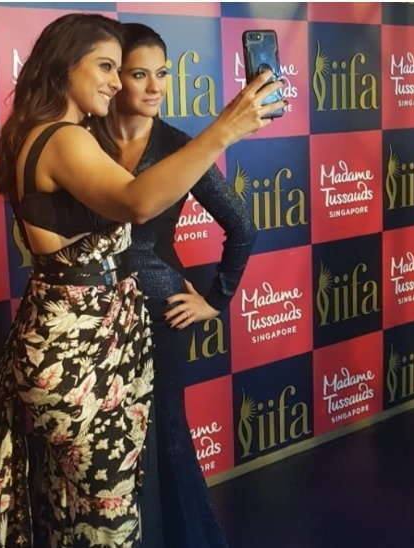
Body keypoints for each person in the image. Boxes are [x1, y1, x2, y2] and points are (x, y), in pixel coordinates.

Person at [0, 13, 285, 548]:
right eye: (106, 67)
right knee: (106, 518)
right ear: (64, 66)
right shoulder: (65, 140)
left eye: (125, 70)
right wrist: (225, 129)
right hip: (78, 358)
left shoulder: (46, 134)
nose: (117, 83)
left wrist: (213, 298)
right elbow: (136, 202)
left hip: (81, 345)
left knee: (71, 509)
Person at [91, 23, 268, 548]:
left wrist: (215, 300)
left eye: (162, 74)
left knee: (165, 434)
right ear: (113, 78)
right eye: (138, 74)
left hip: (160, 311)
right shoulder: (81, 141)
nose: (155, 87)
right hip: (91, 314)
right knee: (100, 442)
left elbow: (243, 227)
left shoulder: (177, 146)